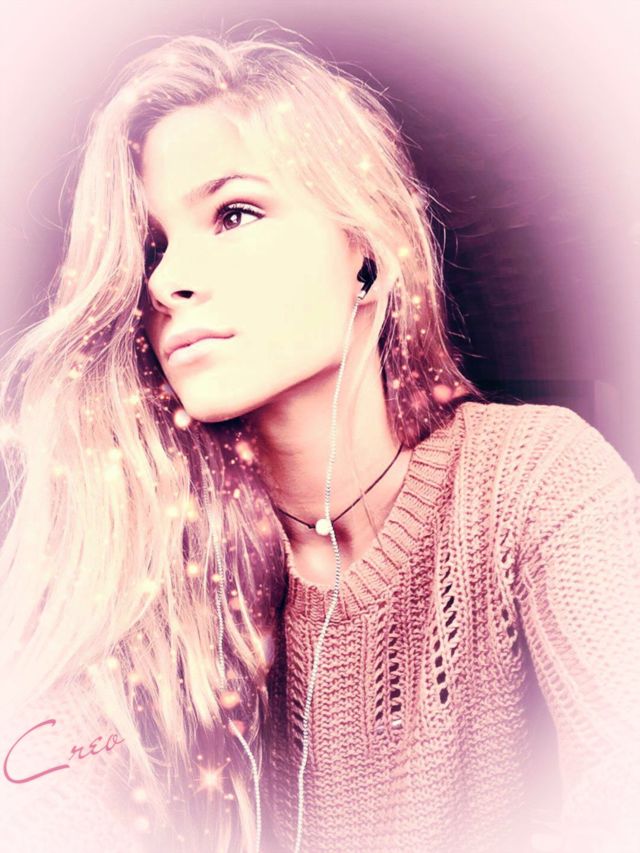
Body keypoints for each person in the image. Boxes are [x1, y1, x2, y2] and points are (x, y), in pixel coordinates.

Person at [1, 27, 639, 853]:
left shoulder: (532, 479)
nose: (166, 281)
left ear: (365, 250)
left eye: (233, 213)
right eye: (153, 247)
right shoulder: (144, 561)